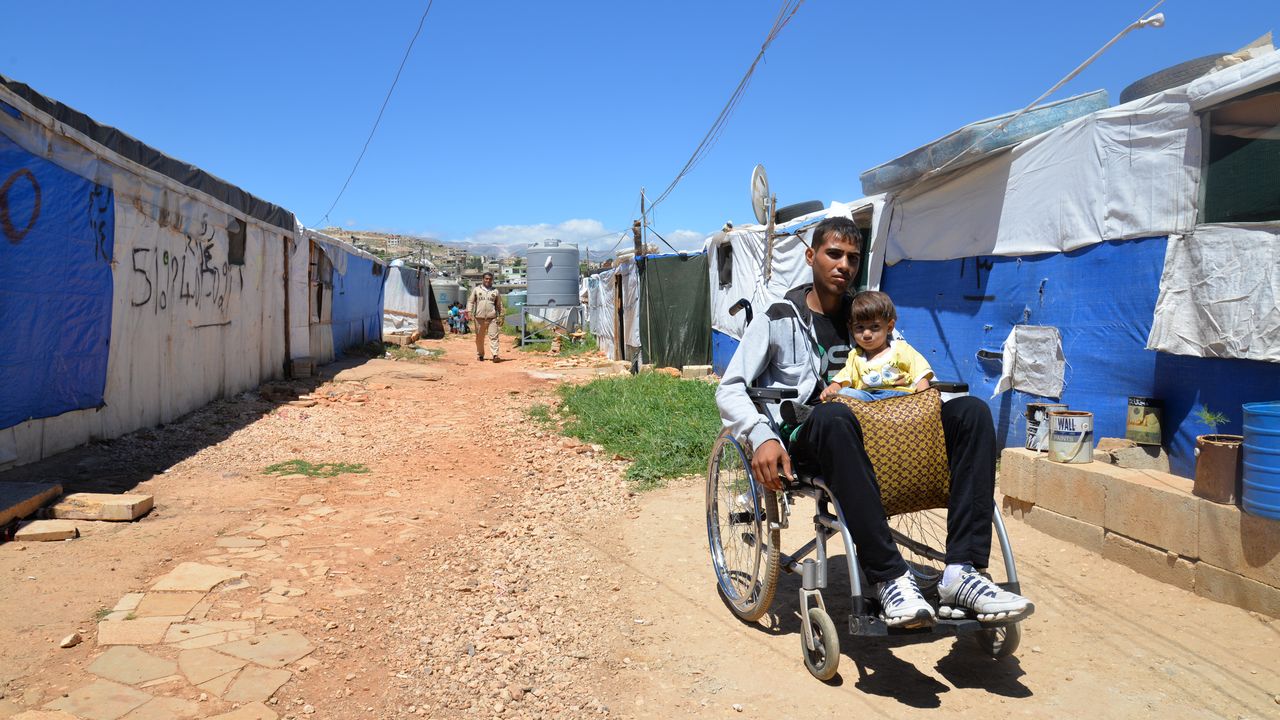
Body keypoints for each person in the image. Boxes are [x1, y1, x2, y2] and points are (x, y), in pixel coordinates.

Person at [715, 216, 1034, 629]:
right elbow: (731, 388)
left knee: (972, 412)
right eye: (833, 254)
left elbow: (910, 368)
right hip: (815, 437)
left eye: (852, 257)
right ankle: (890, 578)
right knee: (834, 415)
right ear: (811, 257)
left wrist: (936, 400)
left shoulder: (869, 314)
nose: (843, 265)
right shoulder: (778, 318)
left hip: (887, 432)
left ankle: (962, 573)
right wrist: (760, 436)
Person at [819, 290, 933, 403]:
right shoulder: (855, 356)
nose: (867, 334)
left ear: (889, 327)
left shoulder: (901, 349)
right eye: (860, 327)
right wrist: (833, 388)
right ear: (851, 328)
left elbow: (920, 374)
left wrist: (924, 397)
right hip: (869, 401)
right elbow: (843, 377)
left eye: (875, 327)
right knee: (845, 393)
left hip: (900, 398)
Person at [467, 272, 503, 361]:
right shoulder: (476, 290)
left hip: (492, 318)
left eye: (490, 279)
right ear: (483, 279)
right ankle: (480, 355)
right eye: (486, 279)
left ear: (492, 280)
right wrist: (469, 312)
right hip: (479, 318)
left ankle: (495, 355)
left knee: (494, 337)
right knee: (479, 338)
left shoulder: (495, 291)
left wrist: (501, 315)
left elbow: (499, 305)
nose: (488, 280)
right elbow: (470, 301)